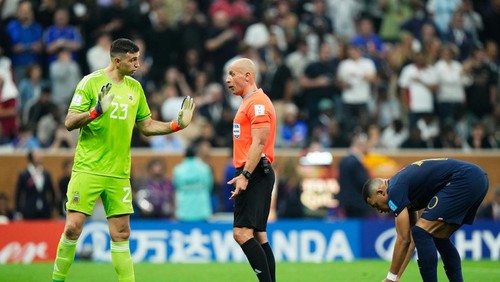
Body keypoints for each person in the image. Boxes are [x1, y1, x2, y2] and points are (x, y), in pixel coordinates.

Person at [52, 38, 195, 282]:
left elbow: (147, 126)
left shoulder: (135, 88)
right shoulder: (91, 82)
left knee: (121, 233)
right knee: (72, 228)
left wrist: (176, 125)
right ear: (117, 61)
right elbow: (69, 122)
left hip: (119, 173)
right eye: (133, 59)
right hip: (89, 168)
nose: (138, 64)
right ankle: (57, 280)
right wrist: (96, 111)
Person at [362, 158, 488, 282]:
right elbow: (411, 239)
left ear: (381, 192)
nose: (379, 210)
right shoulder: (402, 191)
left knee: (421, 232)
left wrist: (390, 277)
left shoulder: (394, 192)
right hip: (477, 178)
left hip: (464, 179)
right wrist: (396, 277)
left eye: (375, 205)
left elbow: (403, 239)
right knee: (438, 237)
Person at [225, 58, 276, 282]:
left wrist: (245, 175)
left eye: (232, 74)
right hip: (254, 171)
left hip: (254, 171)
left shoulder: (257, 103)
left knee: (241, 233)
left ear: (248, 76)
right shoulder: (249, 102)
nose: (228, 79)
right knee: (258, 235)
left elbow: (259, 142)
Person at [172, 144, 214, 222]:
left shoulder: (178, 169)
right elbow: (209, 187)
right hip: (202, 209)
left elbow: (176, 187)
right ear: (196, 154)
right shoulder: (205, 168)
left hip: (183, 210)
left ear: (184, 155)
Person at [15, 149, 56, 220]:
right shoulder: (24, 175)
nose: (40, 157)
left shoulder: (46, 174)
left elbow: (52, 192)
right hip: (29, 210)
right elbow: (19, 193)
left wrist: (52, 207)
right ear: (31, 158)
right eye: (36, 155)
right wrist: (18, 211)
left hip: (45, 211)